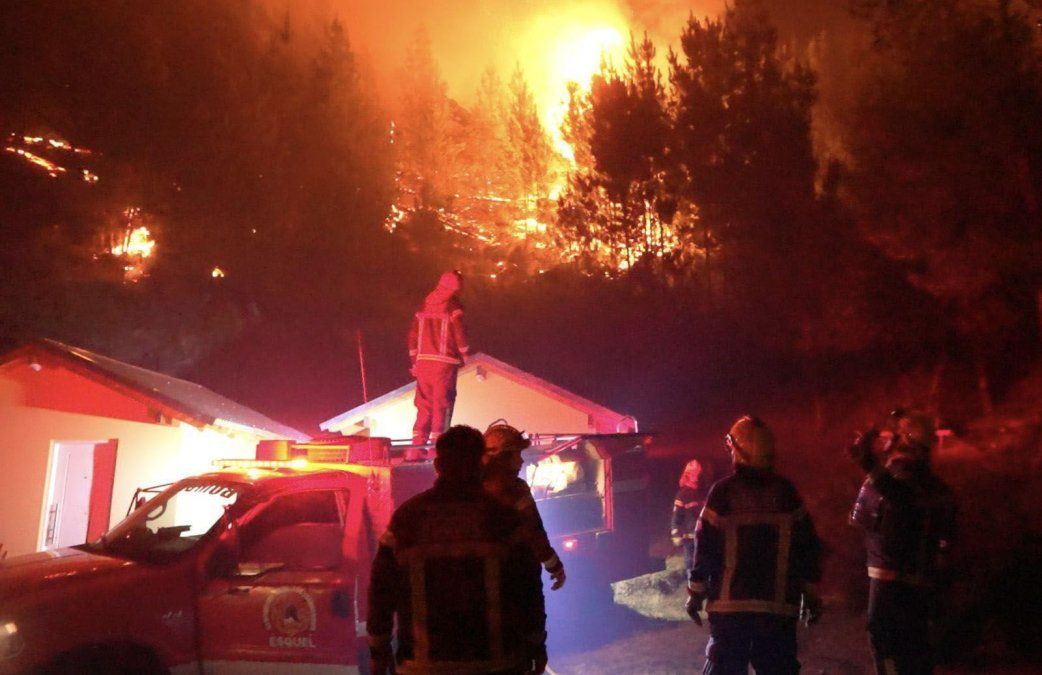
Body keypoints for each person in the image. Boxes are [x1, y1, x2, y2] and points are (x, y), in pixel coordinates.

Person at [367, 425, 547, 675]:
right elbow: (527, 588)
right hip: (497, 665)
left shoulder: (407, 518)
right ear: (480, 465)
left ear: (438, 466)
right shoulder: (502, 518)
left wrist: (379, 649)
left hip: (423, 667)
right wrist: (536, 643)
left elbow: (381, 589)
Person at [686, 415, 823, 675]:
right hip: (778, 610)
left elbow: (704, 548)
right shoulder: (786, 493)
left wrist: (695, 593)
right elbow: (807, 546)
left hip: (729, 611)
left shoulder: (722, 493)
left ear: (738, 451)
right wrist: (811, 592)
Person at [847, 409, 957, 675]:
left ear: (902, 441)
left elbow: (888, 504)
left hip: (888, 585)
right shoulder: (941, 490)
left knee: (888, 649)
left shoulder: (891, 481)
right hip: (924, 587)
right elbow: (947, 542)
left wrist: (870, 466)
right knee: (916, 656)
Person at [483, 422, 567, 591]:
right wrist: (554, 566)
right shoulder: (516, 489)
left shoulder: (470, 486)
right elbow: (534, 530)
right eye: (516, 454)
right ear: (503, 456)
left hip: (480, 579)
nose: (521, 460)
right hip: (514, 575)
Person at [408, 270, 471, 448]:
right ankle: (438, 448)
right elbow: (459, 332)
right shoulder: (452, 305)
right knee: (442, 405)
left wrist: (415, 362)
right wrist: (465, 353)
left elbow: (412, 336)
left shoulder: (424, 306)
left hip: (423, 365)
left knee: (424, 406)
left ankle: (416, 448)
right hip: (444, 364)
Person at [671, 458, 705, 571]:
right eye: (694, 473)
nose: (697, 476)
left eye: (698, 473)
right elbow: (676, 518)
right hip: (690, 539)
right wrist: (676, 534)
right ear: (688, 475)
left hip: (703, 537)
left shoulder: (700, 492)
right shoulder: (682, 495)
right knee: (691, 568)